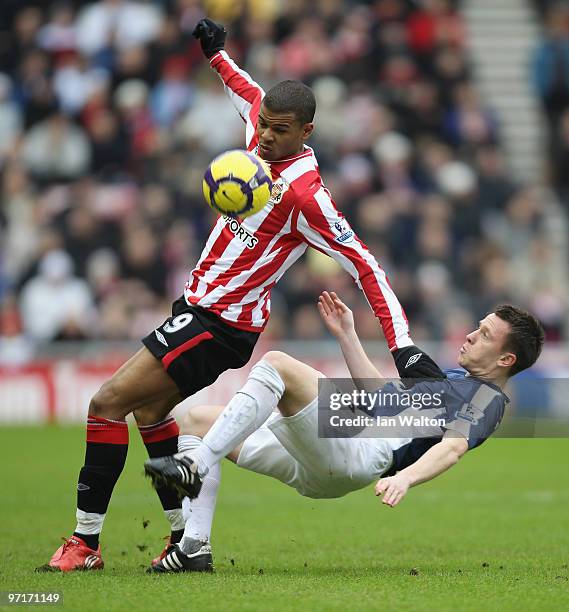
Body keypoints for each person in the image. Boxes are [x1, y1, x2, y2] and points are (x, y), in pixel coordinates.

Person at [42, 20, 439, 572]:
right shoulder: (259, 132)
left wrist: (403, 349)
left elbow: (365, 266)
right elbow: (245, 90)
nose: (268, 136)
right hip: (197, 310)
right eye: (266, 127)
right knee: (152, 413)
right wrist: (215, 52)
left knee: (106, 403)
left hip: (221, 323)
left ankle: (85, 544)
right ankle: (183, 543)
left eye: (281, 130)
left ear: (308, 130)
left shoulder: (307, 196)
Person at [145, 291, 544, 573]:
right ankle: (194, 548)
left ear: (506, 359)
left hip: (356, 453)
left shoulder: (488, 399)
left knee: (279, 365)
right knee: (197, 420)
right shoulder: (455, 377)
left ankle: (195, 464)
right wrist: (347, 335)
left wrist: (405, 478)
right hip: (338, 443)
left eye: (486, 335)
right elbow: (378, 397)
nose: (473, 335)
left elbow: (453, 448)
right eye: (479, 326)